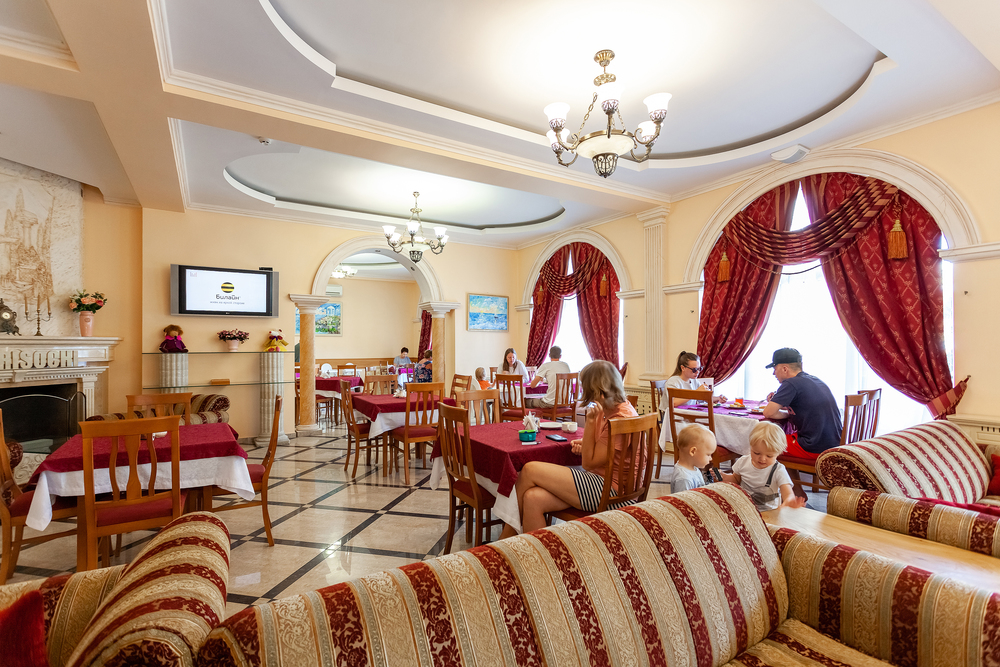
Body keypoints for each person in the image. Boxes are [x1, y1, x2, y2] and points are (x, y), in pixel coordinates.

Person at [499, 360, 639, 538]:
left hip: (612, 491)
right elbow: (603, 448)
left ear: (596, 391)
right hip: (606, 481)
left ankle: (505, 538)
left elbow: (588, 464)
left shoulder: (619, 419)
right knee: (532, 498)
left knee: (529, 469)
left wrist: (589, 422)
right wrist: (586, 444)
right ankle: (540, 555)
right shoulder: (617, 408)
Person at [761, 348, 843, 459]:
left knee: (764, 440)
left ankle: (771, 470)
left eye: (775, 369)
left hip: (814, 447)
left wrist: (787, 414)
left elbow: (768, 413)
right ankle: (786, 472)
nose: (773, 373)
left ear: (785, 369)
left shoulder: (790, 383)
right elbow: (805, 406)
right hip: (833, 443)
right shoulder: (814, 379)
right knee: (777, 438)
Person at [722, 421, 807, 511]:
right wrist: (724, 477)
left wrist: (789, 501)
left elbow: (787, 492)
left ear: (778, 453)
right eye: (756, 453)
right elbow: (736, 479)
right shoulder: (743, 462)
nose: (762, 459)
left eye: (769, 456)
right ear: (751, 447)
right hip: (746, 510)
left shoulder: (778, 470)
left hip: (770, 513)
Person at [660, 351, 726, 412]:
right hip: (673, 416)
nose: (697, 372)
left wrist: (718, 398)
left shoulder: (694, 381)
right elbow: (674, 402)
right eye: (694, 369)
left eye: (699, 369)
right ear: (683, 368)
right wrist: (696, 392)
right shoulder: (673, 381)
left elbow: (702, 399)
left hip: (689, 413)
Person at [669, 423, 717, 493]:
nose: (711, 459)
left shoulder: (694, 468)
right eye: (708, 454)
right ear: (693, 451)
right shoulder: (684, 479)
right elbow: (684, 499)